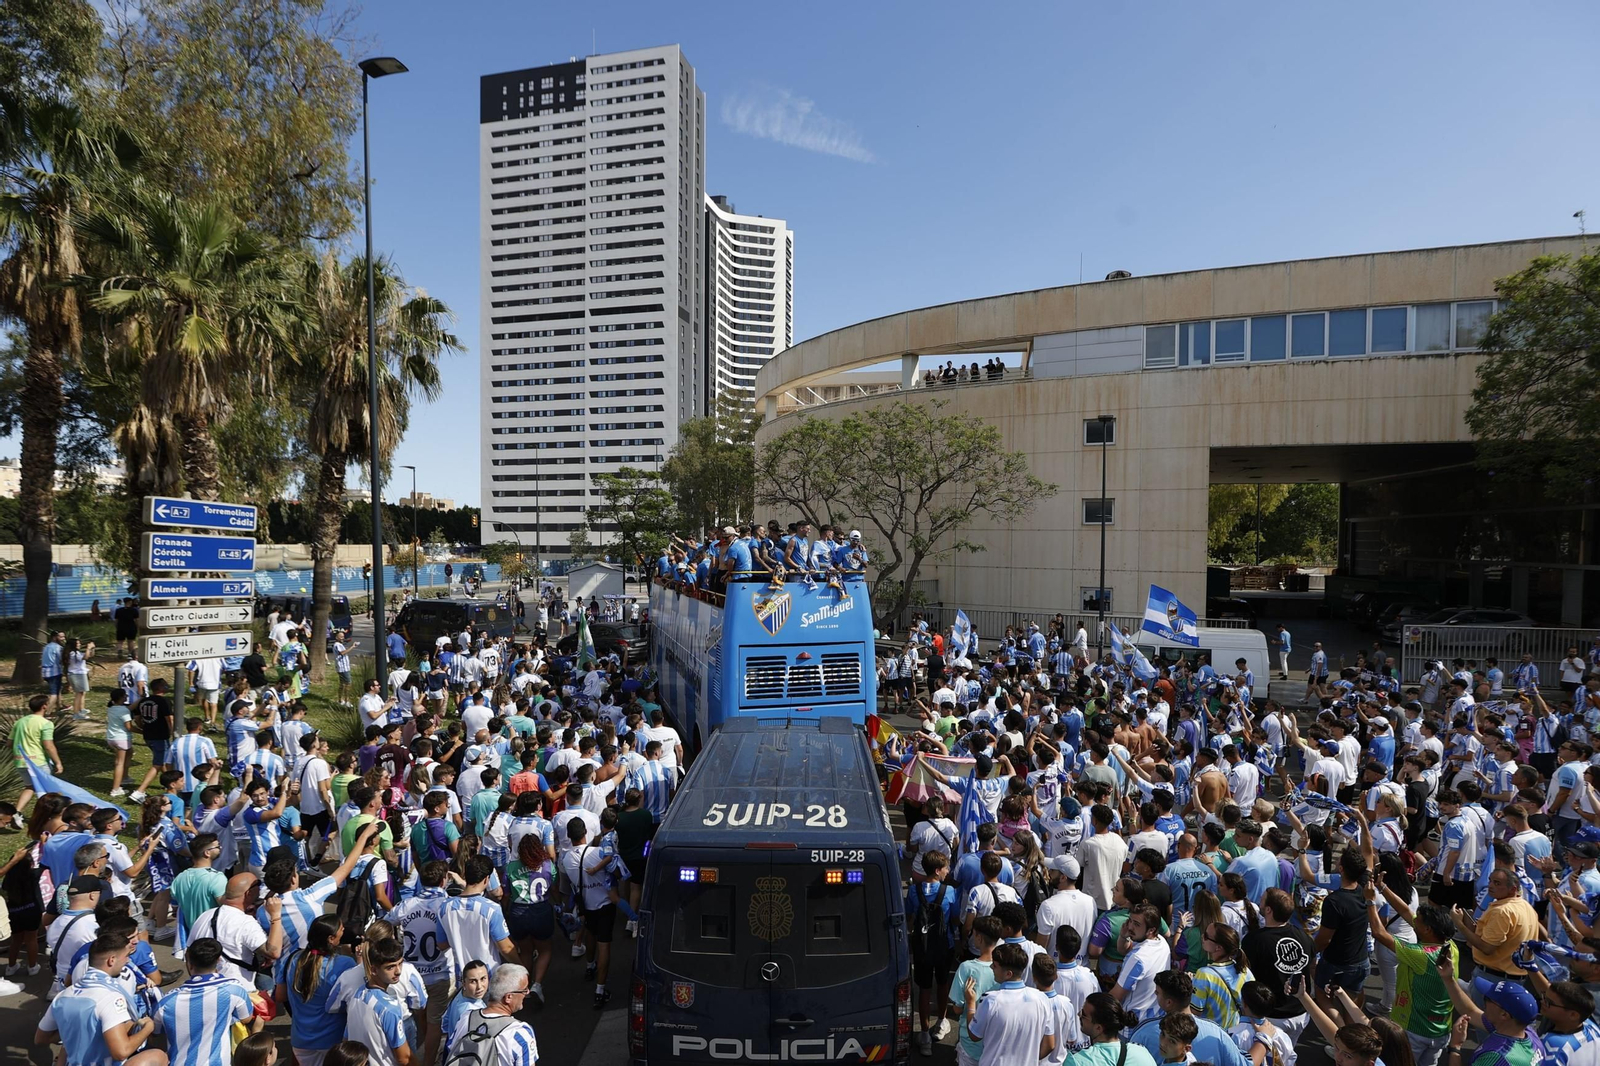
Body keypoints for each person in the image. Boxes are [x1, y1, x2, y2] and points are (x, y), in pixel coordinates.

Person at [34, 931, 165, 1066]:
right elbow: (121, 1052)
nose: (127, 961)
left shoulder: (62, 996)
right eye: (126, 956)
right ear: (111, 960)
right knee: (158, 1056)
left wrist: (80, 1031)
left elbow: (40, 1038)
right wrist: (148, 1028)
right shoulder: (110, 998)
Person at [157, 935, 258, 1066]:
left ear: (189, 963)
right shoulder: (234, 990)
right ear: (219, 960)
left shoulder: (166, 1002)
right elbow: (246, 1018)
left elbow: (155, 1032)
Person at [275, 915, 359, 1066]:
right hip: (334, 1040)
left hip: (301, 1041)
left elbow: (280, 996)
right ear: (331, 939)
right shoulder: (345, 963)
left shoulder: (292, 959)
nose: (344, 931)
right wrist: (360, 963)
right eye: (341, 929)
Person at [961, 941, 1055, 1066]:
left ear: (1008, 974)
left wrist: (971, 1004)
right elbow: (1050, 1044)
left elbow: (974, 1035)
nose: (991, 967)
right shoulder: (1042, 999)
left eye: (995, 966)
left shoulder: (990, 1000)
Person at [441, 962, 540, 1066]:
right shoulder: (520, 1033)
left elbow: (451, 1048)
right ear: (508, 997)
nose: (527, 993)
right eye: (524, 990)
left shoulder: (466, 1018)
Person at [344, 936, 415, 1066]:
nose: (398, 971)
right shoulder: (389, 1008)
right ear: (374, 970)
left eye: (400, 963)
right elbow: (404, 1058)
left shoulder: (357, 995)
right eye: (390, 967)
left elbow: (346, 1038)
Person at [1070, 994, 1158, 1066]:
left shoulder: (1076, 1060)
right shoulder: (1142, 1053)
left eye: (1083, 1014)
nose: (1078, 1014)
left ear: (1098, 1028)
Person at [12, 693, 62, 813]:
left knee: (30, 787)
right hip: (38, 762)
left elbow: (9, 743)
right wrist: (58, 762)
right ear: (44, 706)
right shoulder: (46, 723)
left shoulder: (19, 722)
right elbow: (48, 746)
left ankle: (17, 812)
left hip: (20, 761)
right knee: (48, 790)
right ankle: (48, 815)